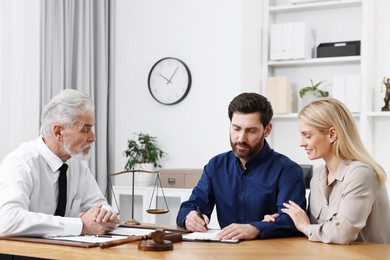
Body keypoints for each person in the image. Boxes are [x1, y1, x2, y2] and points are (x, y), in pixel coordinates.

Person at [176, 92, 306, 240]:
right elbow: (192, 205)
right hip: (226, 251)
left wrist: (256, 228)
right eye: (236, 128)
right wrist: (189, 217)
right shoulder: (216, 166)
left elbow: (292, 221)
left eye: (251, 131)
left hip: (271, 252)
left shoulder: (288, 171)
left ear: (267, 130)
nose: (241, 138)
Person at [265, 97, 390, 244]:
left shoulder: (361, 174)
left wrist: (305, 226)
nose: (301, 143)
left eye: (307, 136)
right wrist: (282, 221)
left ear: (332, 135)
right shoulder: (318, 175)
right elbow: (315, 227)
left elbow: (342, 233)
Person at [0, 89, 121, 237]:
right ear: (58, 132)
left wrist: (105, 215)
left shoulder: (77, 164)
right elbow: (6, 221)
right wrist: (81, 226)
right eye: (85, 129)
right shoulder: (20, 163)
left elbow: (98, 204)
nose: (92, 138)